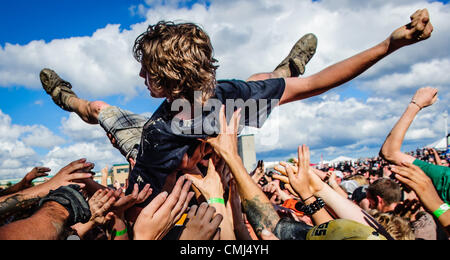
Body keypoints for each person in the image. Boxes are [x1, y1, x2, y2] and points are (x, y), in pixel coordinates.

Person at [40, 9, 433, 212]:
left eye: (148, 70)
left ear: (171, 76)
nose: (141, 75)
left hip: (164, 153)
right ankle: (65, 96)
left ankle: (284, 72)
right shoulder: (163, 130)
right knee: (98, 107)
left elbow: (317, 84)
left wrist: (390, 44)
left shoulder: (222, 97)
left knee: (264, 81)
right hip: (148, 145)